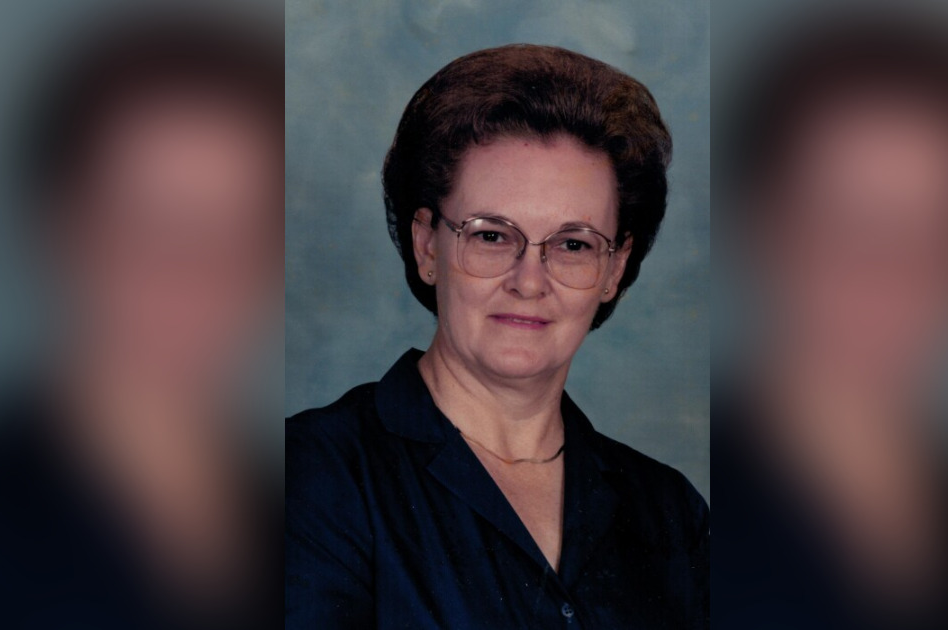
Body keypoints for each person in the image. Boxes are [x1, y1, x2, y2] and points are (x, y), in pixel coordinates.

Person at [286, 44, 709, 628]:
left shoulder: (671, 513)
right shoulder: (310, 474)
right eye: (491, 235)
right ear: (427, 244)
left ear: (614, 268)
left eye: (573, 244)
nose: (529, 281)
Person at [715, 9, 948, 629]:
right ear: (763, 226)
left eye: (936, 233)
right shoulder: (682, 519)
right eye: (849, 223)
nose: (888, 274)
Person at [0, 11, 280, 629]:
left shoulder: (302, 503)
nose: (200, 270)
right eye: (154, 225)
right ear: (61, 228)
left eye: (240, 228)